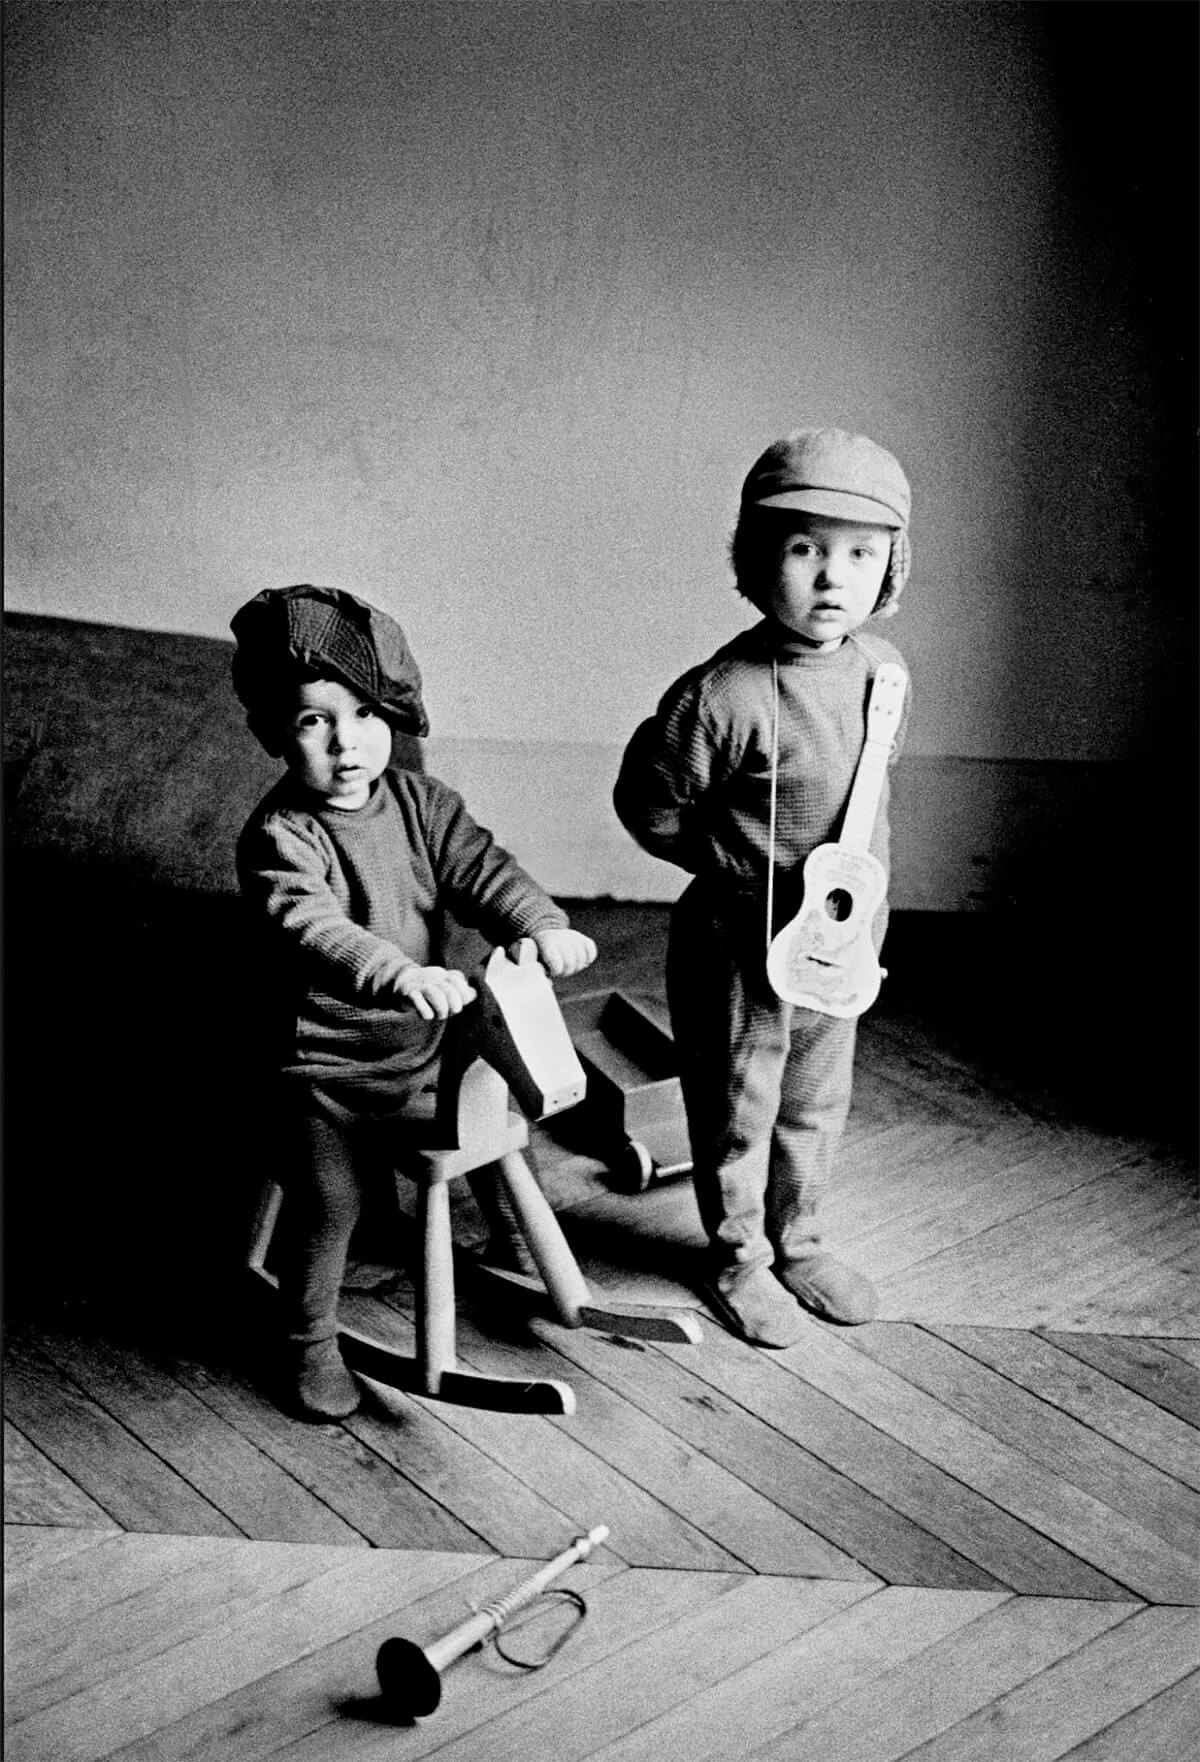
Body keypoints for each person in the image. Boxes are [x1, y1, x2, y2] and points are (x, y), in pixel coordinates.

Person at [232, 584, 596, 1419]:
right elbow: (312, 924)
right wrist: (396, 971)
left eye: (364, 715)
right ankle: (308, 1341)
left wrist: (540, 923)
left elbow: (483, 869)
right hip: (319, 1065)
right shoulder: (282, 836)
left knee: (502, 1106)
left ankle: (511, 1242)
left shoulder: (423, 804)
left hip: (418, 1044)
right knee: (331, 1201)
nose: (346, 743)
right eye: (314, 722)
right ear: (277, 734)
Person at [613, 428, 912, 1347]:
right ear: (754, 558)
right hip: (740, 945)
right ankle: (737, 1256)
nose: (832, 578)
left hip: (842, 940)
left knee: (817, 1098)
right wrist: (730, 869)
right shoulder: (723, 695)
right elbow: (648, 803)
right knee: (741, 1104)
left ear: (891, 568)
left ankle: (803, 1241)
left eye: (860, 553)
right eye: (803, 548)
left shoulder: (885, 677)